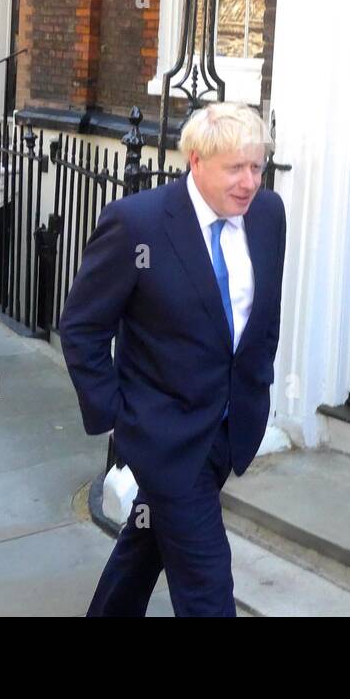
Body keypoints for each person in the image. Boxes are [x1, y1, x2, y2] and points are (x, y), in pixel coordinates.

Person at [60, 102, 286, 617]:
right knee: (207, 585)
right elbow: (82, 326)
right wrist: (121, 419)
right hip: (162, 433)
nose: (249, 182)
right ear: (196, 161)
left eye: (257, 167)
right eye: (236, 167)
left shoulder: (269, 215)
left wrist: (258, 389)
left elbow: (262, 321)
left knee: (146, 544)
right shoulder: (138, 224)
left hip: (228, 428)